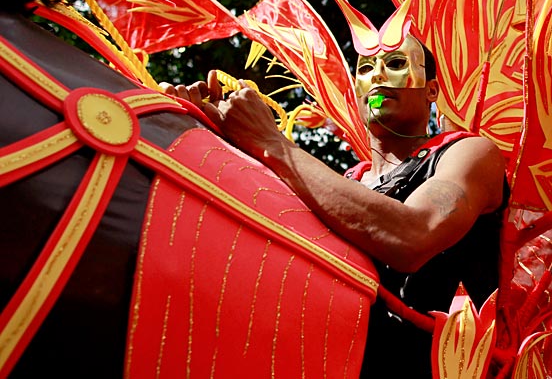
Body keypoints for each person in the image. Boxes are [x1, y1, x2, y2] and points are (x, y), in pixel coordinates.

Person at [165, 34, 507, 378]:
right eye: (366, 69)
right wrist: (201, 137)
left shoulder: (470, 153)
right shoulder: (337, 183)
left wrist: (271, 142)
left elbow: (415, 233)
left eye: (396, 64)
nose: (378, 76)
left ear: (431, 91)